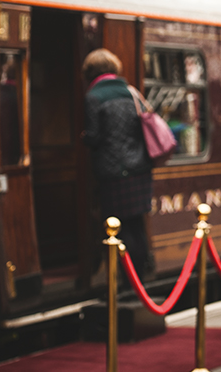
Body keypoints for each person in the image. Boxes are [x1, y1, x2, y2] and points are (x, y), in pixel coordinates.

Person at [82, 48, 154, 277]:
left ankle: (127, 279)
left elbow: (93, 136)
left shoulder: (93, 96)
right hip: (139, 169)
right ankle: (142, 273)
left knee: (119, 228)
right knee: (137, 226)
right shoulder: (130, 91)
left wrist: (83, 137)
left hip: (113, 172)